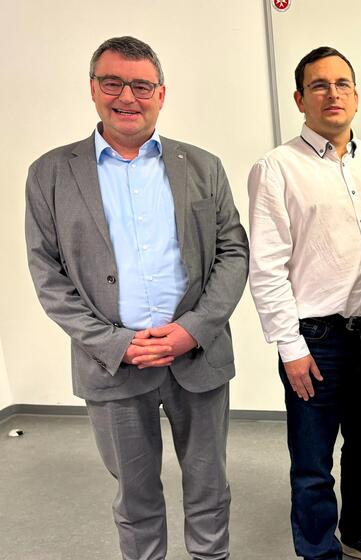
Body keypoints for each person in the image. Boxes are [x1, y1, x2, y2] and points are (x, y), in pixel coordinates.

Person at [24, 36, 249, 560]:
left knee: (210, 489)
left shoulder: (202, 166)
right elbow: (47, 274)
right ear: (93, 89)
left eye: (141, 84)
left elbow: (233, 253)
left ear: (161, 94)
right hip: (113, 367)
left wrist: (194, 328)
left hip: (198, 355)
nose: (128, 96)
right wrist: (115, 343)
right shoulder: (51, 173)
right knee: (136, 496)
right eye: (113, 82)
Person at [247, 46, 361, 560]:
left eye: (342, 84)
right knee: (313, 460)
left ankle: (359, 528)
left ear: (356, 96)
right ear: (299, 98)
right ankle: (318, 551)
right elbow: (266, 266)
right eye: (319, 85)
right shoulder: (276, 168)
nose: (331, 94)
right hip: (317, 338)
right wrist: (288, 347)